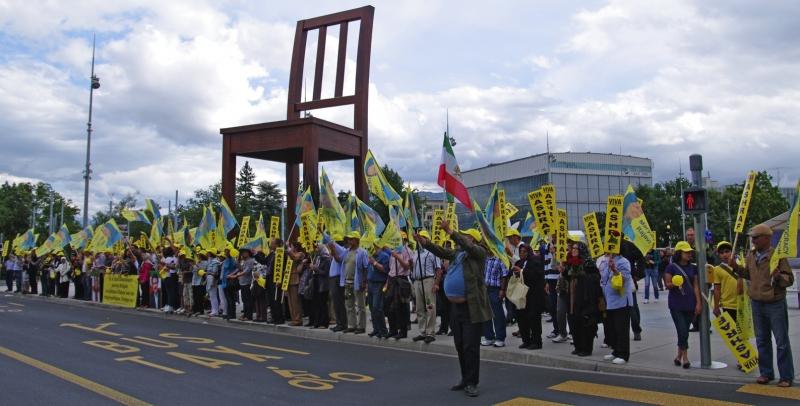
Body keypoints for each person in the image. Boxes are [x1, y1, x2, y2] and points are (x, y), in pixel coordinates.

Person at [420, 222, 492, 398]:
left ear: (473, 239)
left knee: (471, 347)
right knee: (460, 345)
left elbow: (468, 246)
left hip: (471, 308)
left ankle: (472, 382)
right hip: (455, 308)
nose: (462, 238)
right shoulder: (458, 254)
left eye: (466, 235)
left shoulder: (479, 253)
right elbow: (442, 252)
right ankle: (464, 378)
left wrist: (451, 232)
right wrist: (426, 243)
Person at [730, 224, 795, 387]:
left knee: (781, 341)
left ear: (767, 238)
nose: (753, 240)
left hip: (775, 303)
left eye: (756, 237)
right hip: (757, 302)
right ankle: (766, 373)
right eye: (752, 237)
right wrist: (736, 267)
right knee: (762, 340)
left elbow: (789, 280)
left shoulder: (777, 256)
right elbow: (748, 275)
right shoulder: (751, 255)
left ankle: (786, 375)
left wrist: (779, 276)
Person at [664, 241, 702, 369]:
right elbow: (667, 284)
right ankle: (685, 358)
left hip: (690, 304)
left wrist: (698, 303)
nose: (689, 254)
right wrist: (674, 284)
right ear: (679, 253)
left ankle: (678, 356)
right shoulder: (671, 267)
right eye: (686, 252)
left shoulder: (693, 268)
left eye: (690, 252)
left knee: (684, 331)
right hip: (676, 304)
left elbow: (696, 286)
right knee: (682, 331)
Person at [328, 232, 369, 334]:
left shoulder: (362, 252)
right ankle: (351, 325)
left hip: (357, 283)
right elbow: (338, 259)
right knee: (349, 304)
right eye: (348, 239)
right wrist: (332, 250)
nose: (349, 241)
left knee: (360, 305)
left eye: (351, 239)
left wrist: (364, 282)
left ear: (356, 240)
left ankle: (361, 326)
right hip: (347, 283)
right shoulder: (347, 252)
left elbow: (365, 267)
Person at [566, 243, 602, 356]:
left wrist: (583, 276)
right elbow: (568, 276)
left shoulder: (588, 262)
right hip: (573, 295)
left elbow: (596, 277)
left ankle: (586, 348)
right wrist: (563, 271)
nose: (573, 250)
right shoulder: (570, 262)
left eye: (576, 248)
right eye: (573, 248)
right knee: (574, 322)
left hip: (586, 297)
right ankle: (578, 346)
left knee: (586, 323)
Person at [598, 251, 634, 365]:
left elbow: (623, 280)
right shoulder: (608, 260)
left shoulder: (624, 262)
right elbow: (603, 279)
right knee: (613, 328)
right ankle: (616, 351)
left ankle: (624, 354)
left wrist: (614, 270)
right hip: (610, 300)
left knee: (621, 328)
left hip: (621, 301)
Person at [410, 230, 442, 343]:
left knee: (430, 307)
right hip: (417, 281)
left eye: (422, 238)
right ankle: (422, 331)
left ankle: (430, 332)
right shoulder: (416, 253)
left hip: (428, 280)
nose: (419, 240)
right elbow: (413, 268)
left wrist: (436, 284)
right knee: (419, 308)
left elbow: (438, 269)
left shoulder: (432, 253)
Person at [513, 244, 545, 350]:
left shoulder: (535, 261)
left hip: (534, 295)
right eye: (521, 251)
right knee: (522, 318)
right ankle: (526, 340)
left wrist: (522, 271)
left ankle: (536, 342)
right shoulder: (519, 262)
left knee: (534, 318)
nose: (522, 253)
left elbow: (536, 275)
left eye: (524, 251)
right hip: (522, 296)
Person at [481, 253, 510, 348]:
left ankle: (500, 338)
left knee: (497, 314)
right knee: (486, 314)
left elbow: (504, 275)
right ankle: (489, 337)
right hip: (485, 288)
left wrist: (502, 290)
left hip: (495, 289)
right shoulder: (485, 258)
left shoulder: (499, 258)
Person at [386, 239, 412, 340]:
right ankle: (392, 330)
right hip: (392, 279)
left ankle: (403, 331)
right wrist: (387, 282)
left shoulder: (407, 251)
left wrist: (398, 257)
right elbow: (391, 269)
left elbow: (407, 266)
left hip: (401, 279)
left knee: (400, 307)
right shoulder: (393, 251)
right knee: (389, 306)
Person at [326, 235, 348, 332]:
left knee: (339, 302)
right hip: (333, 278)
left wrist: (333, 249)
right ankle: (339, 323)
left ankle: (342, 323)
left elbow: (338, 259)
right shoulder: (339, 251)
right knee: (335, 302)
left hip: (337, 278)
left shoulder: (343, 251)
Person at [367, 244, 390, 338]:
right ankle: (376, 329)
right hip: (371, 283)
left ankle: (383, 330)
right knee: (372, 307)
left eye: (374, 247)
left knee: (377, 307)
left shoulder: (384, 256)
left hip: (379, 283)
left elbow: (385, 270)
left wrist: (375, 263)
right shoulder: (371, 255)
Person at [711, 241, 738, 321]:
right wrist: (716, 307)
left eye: (727, 251)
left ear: (732, 251)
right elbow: (717, 289)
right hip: (728, 305)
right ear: (718, 255)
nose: (725, 255)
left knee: (744, 333)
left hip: (743, 305)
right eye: (721, 253)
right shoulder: (717, 270)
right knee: (733, 333)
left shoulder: (741, 265)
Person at [309, 244, 331, 328]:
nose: (316, 249)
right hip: (316, 282)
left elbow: (326, 273)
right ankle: (317, 322)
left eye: (318, 248)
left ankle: (324, 323)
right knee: (316, 304)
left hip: (323, 284)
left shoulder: (326, 259)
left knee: (323, 304)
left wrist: (315, 269)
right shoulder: (318, 258)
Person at [286, 243, 306, 326]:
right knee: (290, 301)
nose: (291, 247)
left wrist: (288, 249)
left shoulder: (300, 254)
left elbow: (294, 258)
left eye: (292, 246)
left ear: (296, 247)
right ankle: (293, 318)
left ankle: (298, 319)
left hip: (295, 279)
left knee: (295, 301)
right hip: (288, 278)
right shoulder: (290, 254)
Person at [235, 248, 255, 321]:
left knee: (247, 300)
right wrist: (238, 259)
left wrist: (236, 275)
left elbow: (246, 271)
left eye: (244, 252)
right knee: (244, 299)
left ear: (248, 253)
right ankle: (245, 314)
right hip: (242, 282)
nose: (243, 254)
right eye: (242, 253)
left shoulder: (250, 261)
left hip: (248, 282)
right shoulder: (244, 261)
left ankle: (248, 316)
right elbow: (240, 268)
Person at [220, 247, 239, 320]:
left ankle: (232, 314)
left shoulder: (232, 260)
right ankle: (228, 313)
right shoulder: (225, 260)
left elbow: (238, 268)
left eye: (227, 251)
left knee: (231, 298)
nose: (225, 253)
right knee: (227, 298)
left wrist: (232, 274)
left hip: (230, 281)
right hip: (224, 281)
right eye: (225, 251)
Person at [160, 247, 179, 313]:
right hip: (169, 276)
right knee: (170, 292)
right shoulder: (170, 258)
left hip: (168, 276)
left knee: (170, 292)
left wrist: (166, 265)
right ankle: (170, 305)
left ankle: (170, 305)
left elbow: (172, 267)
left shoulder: (169, 258)